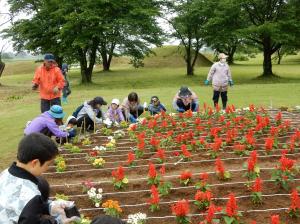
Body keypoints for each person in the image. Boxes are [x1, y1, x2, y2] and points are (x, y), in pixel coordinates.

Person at [0, 133, 79, 223]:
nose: (48, 168)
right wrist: (58, 221)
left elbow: (17, 206)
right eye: (48, 164)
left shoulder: (5, 174)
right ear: (35, 163)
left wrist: (50, 207)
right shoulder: (30, 194)